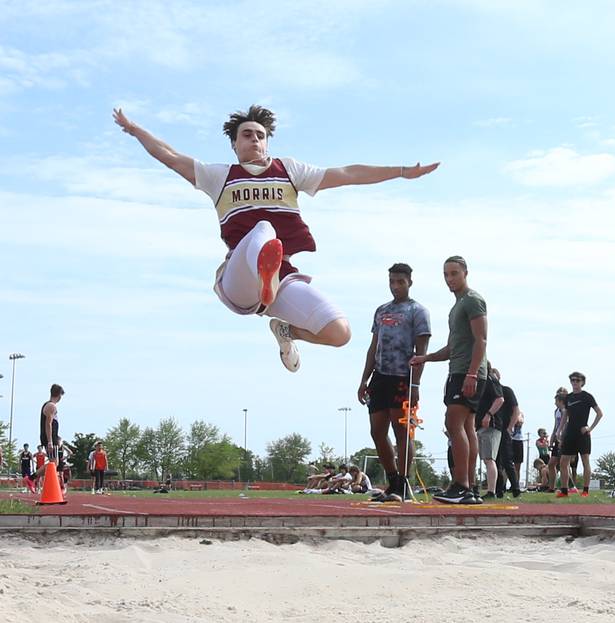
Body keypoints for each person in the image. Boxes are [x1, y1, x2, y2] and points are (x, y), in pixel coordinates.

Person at [113, 106, 438, 373]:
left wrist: (399, 171)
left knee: (339, 332)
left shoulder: (290, 171)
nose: (254, 139)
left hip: (281, 279)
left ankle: (285, 330)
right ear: (235, 144)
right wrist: (135, 129)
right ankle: (264, 271)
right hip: (239, 280)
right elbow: (169, 155)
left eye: (260, 135)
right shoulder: (218, 176)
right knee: (263, 229)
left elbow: (348, 174)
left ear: (267, 142)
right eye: (246, 135)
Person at [410, 256, 487, 505]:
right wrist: (427, 357)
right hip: (460, 368)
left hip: (467, 372)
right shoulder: (458, 306)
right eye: (446, 274)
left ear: (465, 273)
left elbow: (481, 339)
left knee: (453, 423)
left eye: (454, 273)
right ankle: (470, 486)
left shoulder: (473, 300)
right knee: (466, 426)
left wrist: (472, 373)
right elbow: (453, 347)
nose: (450, 279)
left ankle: (462, 484)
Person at [358, 263, 431, 503]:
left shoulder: (417, 311)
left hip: (403, 377)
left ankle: (404, 480)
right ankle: (393, 481)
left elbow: (421, 351)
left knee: (401, 432)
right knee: (377, 431)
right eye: (392, 282)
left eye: (400, 282)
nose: (396, 286)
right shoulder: (381, 311)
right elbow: (373, 346)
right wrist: (364, 379)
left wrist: (416, 385)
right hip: (380, 376)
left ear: (410, 282)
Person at [557, 372, 603, 498]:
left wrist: (590, 428)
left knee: (585, 461)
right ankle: (564, 490)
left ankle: (586, 490)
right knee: (563, 462)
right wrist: (559, 430)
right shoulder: (568, 397)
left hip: (583, 433)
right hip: (570, 432)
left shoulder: (587, 396)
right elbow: (565, 415)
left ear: (582, 382)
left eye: (577, 380)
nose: (575, 382)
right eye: (572, 380)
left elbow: (599, 413)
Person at [474, 363, 505, 499]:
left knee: (489, 458)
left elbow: (500, 399)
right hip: (480, 425)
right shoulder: (479, 381)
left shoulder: (490, 379)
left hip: (491, 425)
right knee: (484, 459)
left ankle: (492, 491)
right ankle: (478, 487)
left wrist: (488, 414)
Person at [494, 370, 521, 499]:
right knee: (495, 460)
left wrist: (510, 427)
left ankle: (515, 487)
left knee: (507, 460)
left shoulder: (507, 391)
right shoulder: (490, 392)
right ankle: (498, 489)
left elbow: (516, 410)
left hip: (504, 429)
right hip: (494, 429)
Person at [511, 412, 525, 485]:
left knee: (517, 465)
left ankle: (516, 485)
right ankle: (503, 485)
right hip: (509, 440)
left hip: (518, 441)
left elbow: (519, 421)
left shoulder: (519, 413)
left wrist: (514, 417)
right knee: (507, 464)